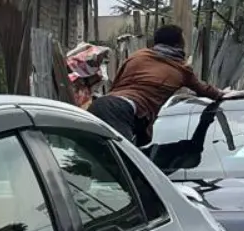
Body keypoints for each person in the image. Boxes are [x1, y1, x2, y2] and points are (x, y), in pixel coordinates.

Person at [88, 24, 224, 145]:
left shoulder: (138, 56)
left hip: (99, 105)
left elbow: (117, 84)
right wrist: (221, 94)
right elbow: (204, 90)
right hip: (123, 110)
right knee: (124, 162)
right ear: (178, 45)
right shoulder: (181, 69)